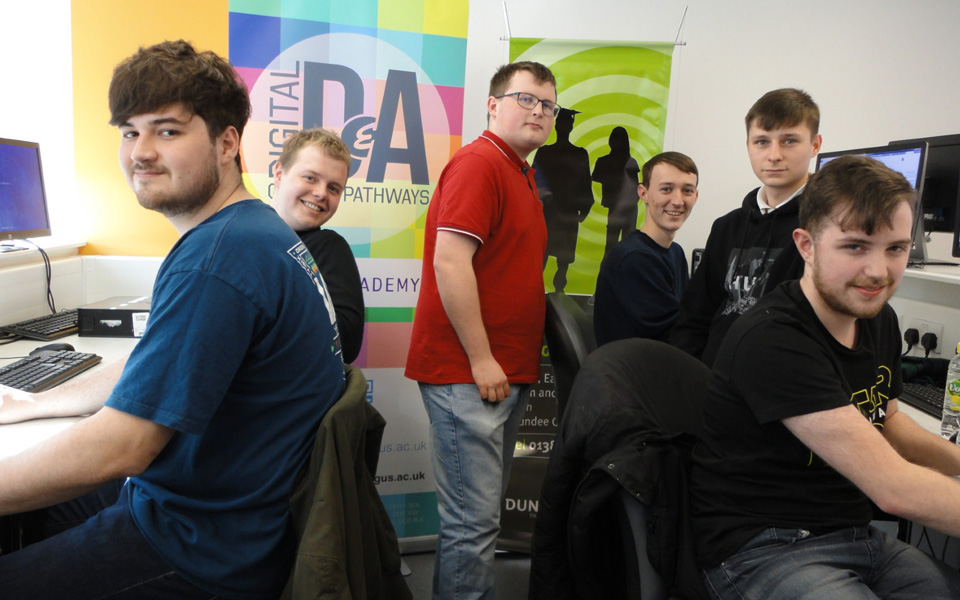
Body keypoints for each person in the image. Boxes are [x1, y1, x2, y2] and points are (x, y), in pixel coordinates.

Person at [0, 40, 345, 600]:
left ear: (227, 142)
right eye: (129, 131)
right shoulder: (253, 231)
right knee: (42, 511)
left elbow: (124, 446)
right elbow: (150, 371)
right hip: (230, 512)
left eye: (167, 130)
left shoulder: (218, 260)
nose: (141, 152)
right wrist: (38, 402)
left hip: (199, 546)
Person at [689, 155, 960, 599]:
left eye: (895, 248)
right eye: (855, 246)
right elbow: (894, 489)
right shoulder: (773, 338)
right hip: (762, 546)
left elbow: (889, 422)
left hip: (853, 533)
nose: (879, 272)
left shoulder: (878, 318)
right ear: (807, 245)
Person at [405, 61, 557, 599]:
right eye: (526, 99)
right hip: (468, 373)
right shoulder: (479, 164)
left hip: (496, 372)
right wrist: (482, 358)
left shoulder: (519, 171)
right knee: (473, 527)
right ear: (493, 105)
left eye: (547, 104)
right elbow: (450, 263)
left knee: (477, 523)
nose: (538, 111)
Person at [670, 88, 821, 366]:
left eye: (789, 141)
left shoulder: (827, 228)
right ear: (748, 145)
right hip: (711, 385)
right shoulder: (727, 227)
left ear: (815, 145)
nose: (774, 155)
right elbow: (693, 318)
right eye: (762, 142)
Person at [272, 127, 365, 363]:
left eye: (334, 188)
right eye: (310, 178)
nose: (321, 193)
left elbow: (347, 342)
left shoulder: (329, 248)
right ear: (279, 173)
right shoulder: (239, 235)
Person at [593, 151, 699, 345]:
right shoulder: (634, 258)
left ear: (696, 196)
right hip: (635, 371)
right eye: (666, 189)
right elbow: (675, 335)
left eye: (687, 190)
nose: (677, 201)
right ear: (643, 193)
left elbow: (685, 319)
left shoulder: (675, 252)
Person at [532, 108, 593, 293]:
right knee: (558, 260)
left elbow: (534, 184)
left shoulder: (545, 153)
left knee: (551, 258)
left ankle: (545, 293)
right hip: (562, 213)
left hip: (554, 213)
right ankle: (553, 294)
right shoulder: (578, 154)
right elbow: (585, 183)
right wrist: (585, 209)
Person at [592, 126, 641, 259]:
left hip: (621, 206)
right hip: (625, 206)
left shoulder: (604, 161)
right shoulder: (629, 162)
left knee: (614, 244)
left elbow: (596, 177)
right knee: (621, 243)